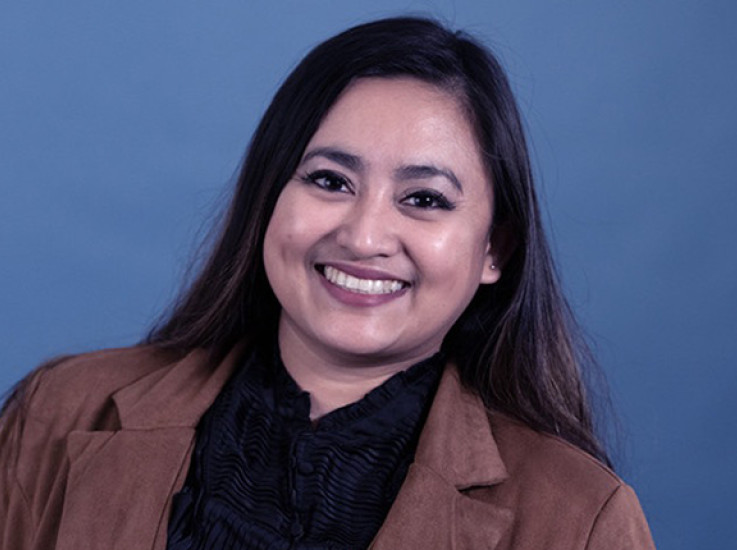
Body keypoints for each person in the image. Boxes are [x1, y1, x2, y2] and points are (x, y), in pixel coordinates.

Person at [0, 16, 655, 550]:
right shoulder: (60, 412)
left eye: (424, 199)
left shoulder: (579, 520)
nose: (365, 237)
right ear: (268, 200)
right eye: (329, 181)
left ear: (494, 250)